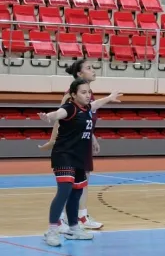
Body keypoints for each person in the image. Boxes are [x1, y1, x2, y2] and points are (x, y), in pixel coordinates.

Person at [38, 79, 121, 247]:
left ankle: (74, 228)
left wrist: (110, 97)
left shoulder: (88, 108)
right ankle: (52, 231)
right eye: (83, 92)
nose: (87, 95)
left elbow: (96, 103)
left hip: (79, 157)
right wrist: (49, 116)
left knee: (76, 194)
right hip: (64, 156)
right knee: (64, 191)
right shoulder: (70, 108)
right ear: (74, 95)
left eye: (89, 92)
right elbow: (58, 114)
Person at [40, 59, 103, 232]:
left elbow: (84, 121)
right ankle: (66, 219)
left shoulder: (88, 93)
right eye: (89, 68)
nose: (93, 70)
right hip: (70, 147)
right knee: (69, 185)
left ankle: (78, 217)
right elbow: (60, 118)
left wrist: (93, 137)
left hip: (83, 142)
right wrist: (53, 140)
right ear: (79, 74)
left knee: (81, 182)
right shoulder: (72, 94)